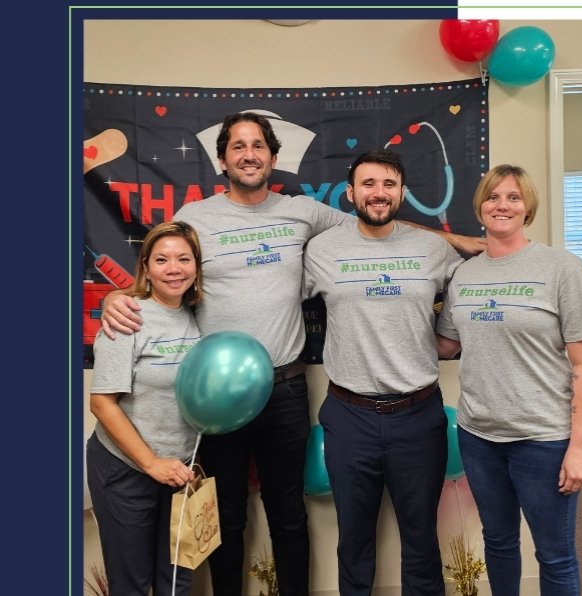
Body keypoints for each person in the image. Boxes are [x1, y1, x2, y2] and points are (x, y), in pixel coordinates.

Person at [100, 112, 484, 595]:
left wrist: (458, 240)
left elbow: (379, 223)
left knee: (287, 512)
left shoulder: (304, 212)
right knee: (227, 515)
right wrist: (121, 296)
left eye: (258, 145)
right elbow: (163, 267)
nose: (248, 154)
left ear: (273, 157)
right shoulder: (194, 219)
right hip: (216, 395)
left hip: (283, 386)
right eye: (237, 147)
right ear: (222, 160)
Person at [436, 164, 582, 596]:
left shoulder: (563, 269)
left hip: (542, 439)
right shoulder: (464, 276)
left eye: (513, 197)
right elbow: (447, 345)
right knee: (499, 541)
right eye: (493, 196)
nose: (502, 205)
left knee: (555, 554)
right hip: (480, 435)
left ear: (527, 208)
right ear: (480, 205)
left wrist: (580, 448)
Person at [304, 149, 461, 595]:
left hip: (419, 415)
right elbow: (268, 296)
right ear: (350, 193)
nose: (379, 193)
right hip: (349, 415)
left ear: (403, 192)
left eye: (389, 184)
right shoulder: (321, 250)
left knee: (421, 539)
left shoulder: (433, 249)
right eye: (368, 184)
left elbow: (468, 296)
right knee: (353, 541)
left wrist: (444, 336)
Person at [88, 220, 204, 596]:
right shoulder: (128, 318)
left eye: (184, 259)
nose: (174, 268)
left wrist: (173, 465)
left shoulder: (196, 317)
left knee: (177, 581)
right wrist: (151, 463)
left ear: (197, 267)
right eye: (162, 259)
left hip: (181, 470)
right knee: (132, 585)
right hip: (127, 468)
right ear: (146, 268)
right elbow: (102, 403)